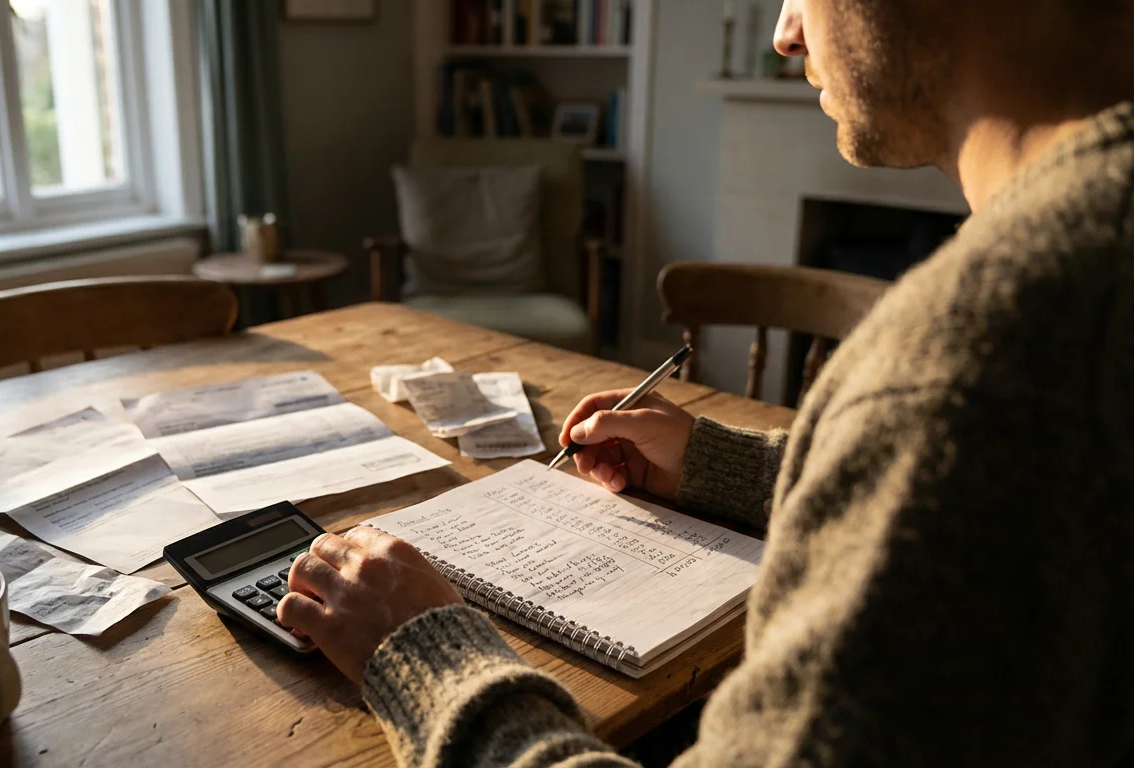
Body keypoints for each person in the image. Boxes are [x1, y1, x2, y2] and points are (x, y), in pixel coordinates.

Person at [278, 0, 1134, 764]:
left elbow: (957, 440)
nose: (784, 30)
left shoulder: (971, 363)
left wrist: (423, 651)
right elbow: (982, 495)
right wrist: (721, 465)